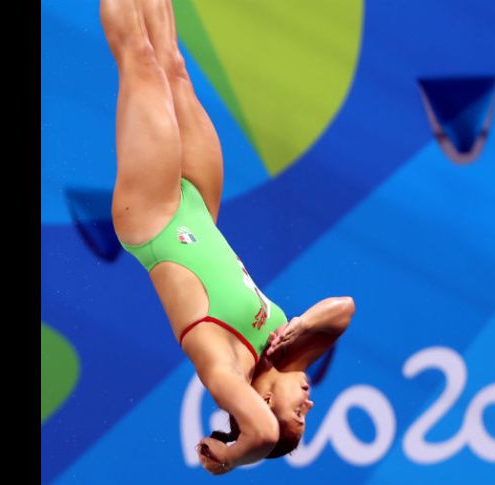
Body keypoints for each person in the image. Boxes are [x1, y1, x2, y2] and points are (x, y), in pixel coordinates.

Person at [99, 0, 355, 474]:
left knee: (140, 58)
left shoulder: (225, 367)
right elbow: (344, 311)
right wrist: (300, 328)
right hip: (199, 209)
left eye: (296, 420)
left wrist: (229, 460)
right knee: (173, 65)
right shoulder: (280, 349)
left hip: (153, 221)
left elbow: (262, 434)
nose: (309, 409)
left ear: (257, 404)